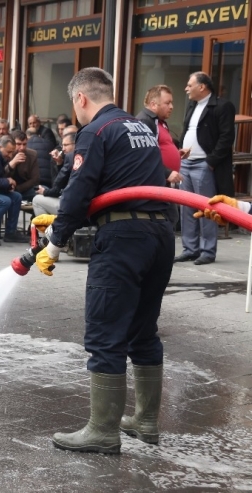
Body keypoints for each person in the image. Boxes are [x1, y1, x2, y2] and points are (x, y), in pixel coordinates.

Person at [32, 67, 173, 455]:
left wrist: (55, 241)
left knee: (105, 332)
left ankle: (103, 431)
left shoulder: (94, 131)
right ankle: (144, 421)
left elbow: (80, 190)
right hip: (159, 234)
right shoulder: (140, 127)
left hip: (123, 237)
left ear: (81, 99)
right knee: (143, 332)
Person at [175, 72, 236, 265]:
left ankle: (207, 251)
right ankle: (189, 249)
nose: (186, 88)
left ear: (202, 87)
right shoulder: (192, 105)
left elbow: (227, 137)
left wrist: (211, 162)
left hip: (204, 164)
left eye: (189, 84)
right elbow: (188, 131)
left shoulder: (222, 106)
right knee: (186, 208)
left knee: (207, 208)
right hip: (186, 162)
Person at [136, 85, 183, 227]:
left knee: (170, 218)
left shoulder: (158, 121)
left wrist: (176, 153)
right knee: (166, 219)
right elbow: (143, 155)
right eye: (167, 103)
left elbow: (158, 148)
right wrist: (167, 172)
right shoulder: (145, 121)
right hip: (154, 182)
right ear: (153, 104)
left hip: (162, 182)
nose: (172, 106)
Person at [32, 131, 76, 216]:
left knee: (37, 200)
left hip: (72, 206)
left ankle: (49, 229)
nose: (63, 149)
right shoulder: (85, 156)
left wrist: (45, 192)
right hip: (80, 203)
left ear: (75, 144)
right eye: (62, 145)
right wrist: (59, 163)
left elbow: (57, 185)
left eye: (66, 145)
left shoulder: (70, 158)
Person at [6, 130, 40, 202]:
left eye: (24, 144)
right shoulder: (6, 154)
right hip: (7, 189)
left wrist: (18, 188)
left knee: (43, 191)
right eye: (18, 144)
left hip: (24, 188)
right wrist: (12, 164)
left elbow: (35, 179)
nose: (22, 148)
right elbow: (1, 174)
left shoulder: (32, 154)